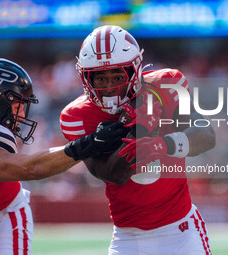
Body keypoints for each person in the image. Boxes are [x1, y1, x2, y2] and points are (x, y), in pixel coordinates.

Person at [0, 58, 128, 255]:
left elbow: (29, 167)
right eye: (18, 104)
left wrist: (86, 145)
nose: (22, 116)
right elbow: (31, 168)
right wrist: (89, 144)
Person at [60, 25, 216, 255]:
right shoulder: (77, 115)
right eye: (101, 78)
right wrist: (138, 128)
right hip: (127, 238)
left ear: (134, 71)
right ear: (86, 77)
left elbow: (206, 136)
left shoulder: (166, 84)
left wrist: (162, 144)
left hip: (181, 231)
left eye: (117, 76)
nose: (110, 86)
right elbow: (112, 174)